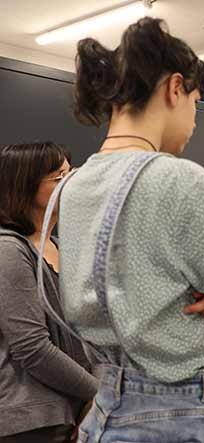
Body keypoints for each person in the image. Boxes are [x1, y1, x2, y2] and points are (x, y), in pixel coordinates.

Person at [56, 17, 204, 443]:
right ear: (174, 88)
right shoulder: (182, 180)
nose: (194, 120)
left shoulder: (72, 186)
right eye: (195, 103)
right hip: (181, 413)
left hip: (106, 404)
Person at [0, 142, 97, 443]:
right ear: (25, 186)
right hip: (30, 421)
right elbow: (32, 347)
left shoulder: (61, 246)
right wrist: (101, 393)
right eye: (59, 176)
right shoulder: (9, 248)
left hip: (73, 411)